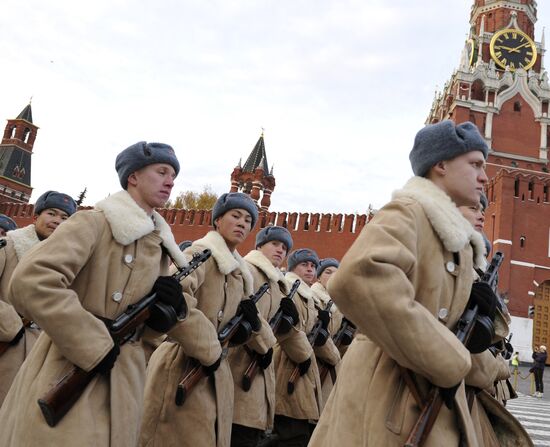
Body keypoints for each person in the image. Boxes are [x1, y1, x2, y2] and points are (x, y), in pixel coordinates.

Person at [310, 120, 530, 446]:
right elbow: (356, 278)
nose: (485, 176)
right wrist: (449, 358)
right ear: (440, 164)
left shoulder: (451, 239)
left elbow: (442, 321)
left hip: (420, 401)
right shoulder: (410, 212)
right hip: (387, 403)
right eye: (474, 165)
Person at [0, 141, 189, 446]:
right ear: (134, 177)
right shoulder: (94, 222)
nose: (170, 181)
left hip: (124, 383)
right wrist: (91, 341)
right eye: (162, 171)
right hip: (69, 367)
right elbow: (32, 280)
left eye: (173, 176)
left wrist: (163, 315)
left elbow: (147, 338)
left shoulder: (158, 246)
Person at [139, 192, 276, 447]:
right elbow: (175, 298)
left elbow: (245, 320)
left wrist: (251, 331)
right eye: (235, 216)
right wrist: (210, 348)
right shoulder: (200, 253)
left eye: (248, 220)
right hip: (180, 366)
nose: (242, 223)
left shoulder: (239, 274)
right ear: (217, 221)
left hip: (213, 373)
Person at [228, 225, 310, 446]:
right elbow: (238, 315)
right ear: (259, 246)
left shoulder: (277, 284)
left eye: (284, 247)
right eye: (274, 244)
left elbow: (282, 331)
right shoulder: (246, 271)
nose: (280, 250)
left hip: (259, 368)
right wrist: (264, 343)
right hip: (236, 363)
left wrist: (304, 352)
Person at [0, 190, 77, 406]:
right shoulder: (8, 247)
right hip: (6, 343)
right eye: (51, 214)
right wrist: (10, 324)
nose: (57, 221)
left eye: (64, 218)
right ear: (36, 216)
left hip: (41, 356)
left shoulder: (70, 263)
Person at [272, 248, 340, 447]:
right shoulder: (292, 291)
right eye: (304, 265)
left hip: (305, 369)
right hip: (289, 367)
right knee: (292, 435)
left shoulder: (308, 295)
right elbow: (293, 332)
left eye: (313, 265)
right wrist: (332, 355)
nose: (310, 269)